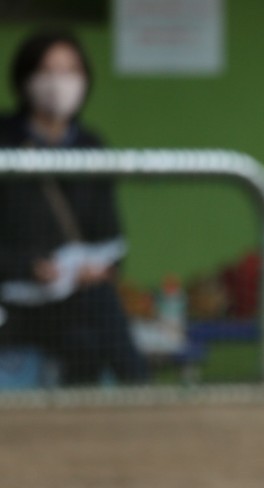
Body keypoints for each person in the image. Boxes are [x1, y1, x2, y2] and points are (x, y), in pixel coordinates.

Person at [0, 30, 147, 387]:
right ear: (25, 78)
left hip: (67, 301)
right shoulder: (4, 141)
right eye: (48, 71)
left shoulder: (90, 147)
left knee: (94, 325)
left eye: (70, 71)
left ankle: (144, 399)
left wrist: (95, 268)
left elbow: (110, 236)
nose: (58, 83)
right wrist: (31, 267)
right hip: (11, 300)